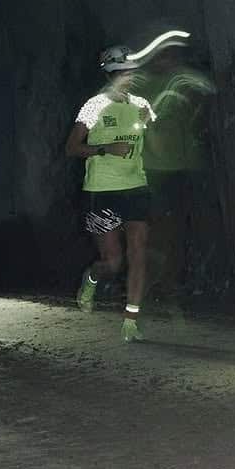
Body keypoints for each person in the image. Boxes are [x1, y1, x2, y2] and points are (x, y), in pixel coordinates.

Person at [65, 44, 157, 342]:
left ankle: (131, 321)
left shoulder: (141, 103)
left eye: (131, 71)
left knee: (138, 252)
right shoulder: (94, 106)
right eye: (123, 72)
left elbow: (156, 145)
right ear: (110, 74)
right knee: (113, 263)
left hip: (136, 186)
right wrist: (105, 148)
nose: (129, 76)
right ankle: (92, 277)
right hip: (102, 190)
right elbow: (71, 148)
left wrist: (148, 123)